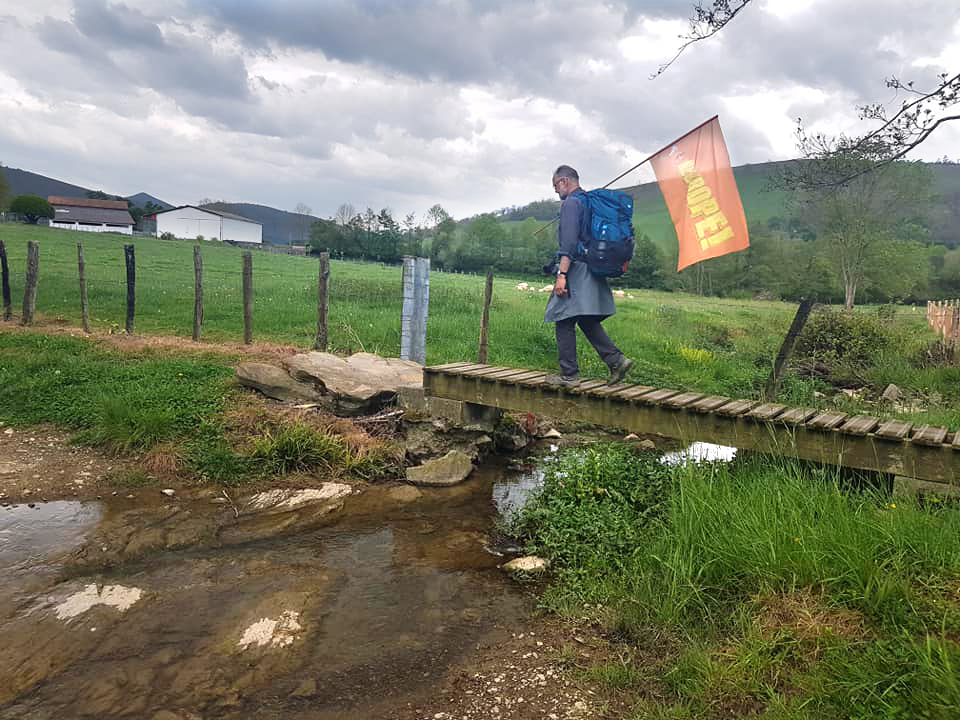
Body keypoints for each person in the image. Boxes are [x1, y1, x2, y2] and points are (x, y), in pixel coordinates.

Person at [543, 165, 633, 388]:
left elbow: (570, 244)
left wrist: (562, 274)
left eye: (555, 185)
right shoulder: (588, 201)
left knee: (562, 317)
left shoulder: (572, 203)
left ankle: (569, 376)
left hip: (576, 267)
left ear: (564, 181)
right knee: (584, 317)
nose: (555, 191)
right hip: (590, 265)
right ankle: (616, 361)